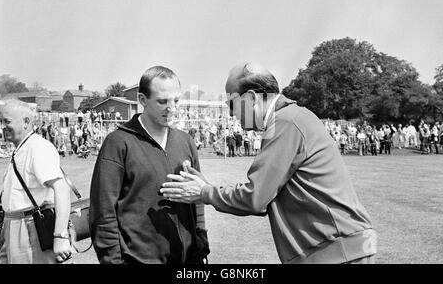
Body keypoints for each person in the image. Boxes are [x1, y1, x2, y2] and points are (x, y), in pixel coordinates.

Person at [161, 62, 376, 264]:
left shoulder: (286, 122)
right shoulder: (291, 118)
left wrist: (205, 192)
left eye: (231, 103)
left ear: (251, 98)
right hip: (337, 249)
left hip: (337, 252)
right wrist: (207, 189)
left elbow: (256, 198)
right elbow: (264, 195)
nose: (230, 112)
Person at [89, 66, 209, 264]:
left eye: (176, 100)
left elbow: (197, 201)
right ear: (143, 100)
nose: (172, 108)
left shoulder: (185, 141)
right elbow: (103, 212)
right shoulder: (118, 143)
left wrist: (200, 246)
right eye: (162, 101)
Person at [0, 99, 72, 264]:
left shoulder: (37, 147)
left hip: (30, 228)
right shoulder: (23, 148)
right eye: (1, 121)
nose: (2, 126)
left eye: (7, 121)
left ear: (26, 122)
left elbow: (62, 188)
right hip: (14, 226)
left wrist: (60, 236)